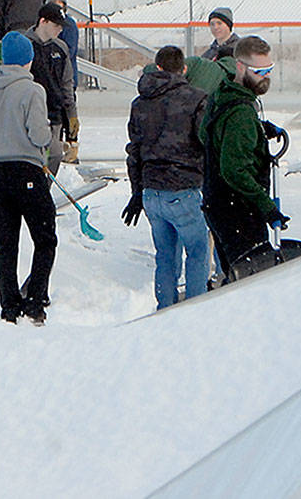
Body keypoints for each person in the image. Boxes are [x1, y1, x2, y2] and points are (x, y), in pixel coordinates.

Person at [123, 46, 209, 310]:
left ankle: (165, 310)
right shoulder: (197, 99)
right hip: (184, 188)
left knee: (165, 256)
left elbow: (134, 151)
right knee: (197, 251)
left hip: (151, 191)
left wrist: (136, 192)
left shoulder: (140, 103)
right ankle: (195, 310)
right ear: (184, 69)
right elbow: (207, 142)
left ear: (158, 67)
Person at [0, 31, 57, 325]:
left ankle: (9, 306)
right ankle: (35, 301)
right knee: (45, 238)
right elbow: (39, 135)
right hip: (27, 172)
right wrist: (46, 137)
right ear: (28, 59)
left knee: (6, 246)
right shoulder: (32, 90)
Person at [200, 35, 287, 280]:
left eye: (269, 70)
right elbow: (234, 170)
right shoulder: (241, 114)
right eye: (259, 71)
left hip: (217, 205)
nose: (266, 77)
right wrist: (267, 208)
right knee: (253, 279)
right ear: (240, 66)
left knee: (236, 273)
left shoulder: (223, 93)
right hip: (238, 211)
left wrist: (257, 130)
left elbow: (205, 133)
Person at [24, 3, 78, 176]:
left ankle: (44, 188)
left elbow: (66, 83)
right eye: (56, 25)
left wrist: (71, 115)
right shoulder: (25, 46)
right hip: (30, 116)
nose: (60, 30)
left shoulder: (60, 48)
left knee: (53, 157)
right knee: (32, 162)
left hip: (54, 115)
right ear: (43, 21)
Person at [47, 0, 82, 162]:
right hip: (50, 80)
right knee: (55, 115)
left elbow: (69, 51)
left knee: (69, 113)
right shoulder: (44, 25)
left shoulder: (69, 25)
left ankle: (72, 144)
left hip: (66, 78)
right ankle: (56, 146)